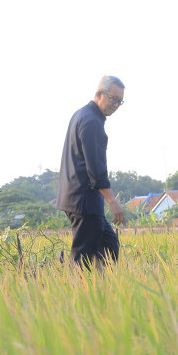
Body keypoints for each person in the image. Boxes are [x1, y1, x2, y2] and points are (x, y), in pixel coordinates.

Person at [56, 75, 126, 270]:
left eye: (120, 101)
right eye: (113, 99)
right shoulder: (91, 121)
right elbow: (96, 170)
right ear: (98, 94)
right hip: (83, 201)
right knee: (83, 258)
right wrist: (113, 202)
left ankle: (102, 291)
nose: (116, 104)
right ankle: (79, 294)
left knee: (109, 245)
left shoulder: (83, 115)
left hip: (80, 199)